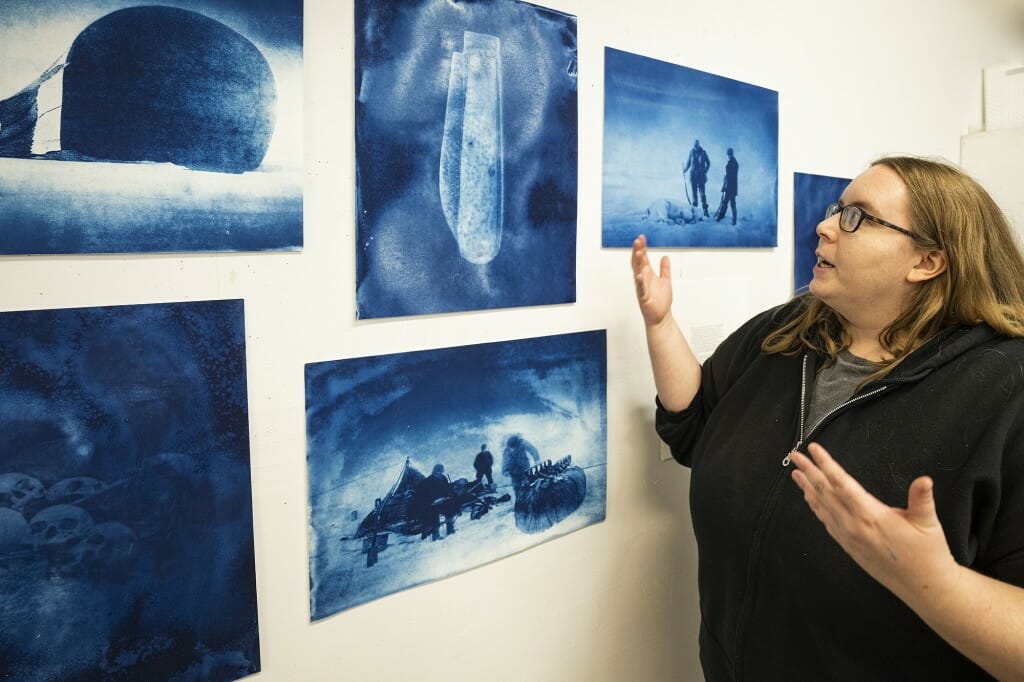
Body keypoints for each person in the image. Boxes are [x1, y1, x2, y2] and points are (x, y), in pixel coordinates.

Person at [632, 155, 1024, 680]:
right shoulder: (787, 329)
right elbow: (697, 424)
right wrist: (660, 327)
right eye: (838, 208)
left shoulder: (1006, 390)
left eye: (857, 216)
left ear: (927, 261)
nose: (825, 225)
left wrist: (935, 583)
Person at [410, 463, 456, 541]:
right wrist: (431, 501)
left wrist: (450, 491)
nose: (438, 473)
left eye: (440, 472)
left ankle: (450, 529)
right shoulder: (428, 481)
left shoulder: (443, 478)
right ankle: (436, 535)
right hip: (431, 504)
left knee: (450, 508)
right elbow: (422, 494)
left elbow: (446, 488)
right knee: (433, 514)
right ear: (433, 471)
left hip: (441, 501)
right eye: (437, 472)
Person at [682, 139, 711, 217]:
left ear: (698, 145)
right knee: (694, 194)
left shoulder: (703, 152)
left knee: (702, 194)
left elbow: (708, 163)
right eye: (694, 145)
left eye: (696, 145)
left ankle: (705, 211)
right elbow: (688, 163)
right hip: (693, 177)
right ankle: (695, 211)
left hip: (701, 177)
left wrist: (705, 170)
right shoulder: (691, 152)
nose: (695, 147)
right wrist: (685, 169)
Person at [715, 147, 738, 225]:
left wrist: (726, 181)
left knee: (732, 203)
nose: (728, 156)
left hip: (732, 186)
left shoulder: (734, 163)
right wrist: (725, 179)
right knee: (725, 202)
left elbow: (732, 175)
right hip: (728, 186)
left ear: (732, 154)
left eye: (729, 154)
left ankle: (734, 220)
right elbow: (728, 174)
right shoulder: (730, 162)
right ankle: (721, 216)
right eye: (728, 154)